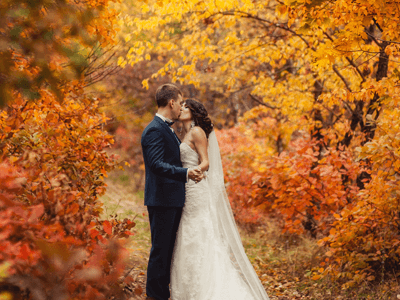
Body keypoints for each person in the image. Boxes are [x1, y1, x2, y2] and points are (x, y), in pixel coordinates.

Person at [170, 99, 270, 300]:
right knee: (188, 232)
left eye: (185, 106)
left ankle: (206, 287)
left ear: (194, 111)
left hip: (196, 188)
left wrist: (192, 172)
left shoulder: (197, 131)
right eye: (180, 105)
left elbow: (206, 162)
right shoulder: (185, 133)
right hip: (188, 187)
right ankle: (191, 287)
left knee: (198, 232)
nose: (181, 108)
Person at [141, 84, 204, 300]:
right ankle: (155, 296)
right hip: (162, 200)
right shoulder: (153, 130)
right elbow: (157, 165)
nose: (180, 107)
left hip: (172, 200)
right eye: (179, 102)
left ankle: (162, 293)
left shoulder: (167, 128)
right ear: (171, 102)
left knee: (168, 251)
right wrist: (186, 173)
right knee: (160, 251)